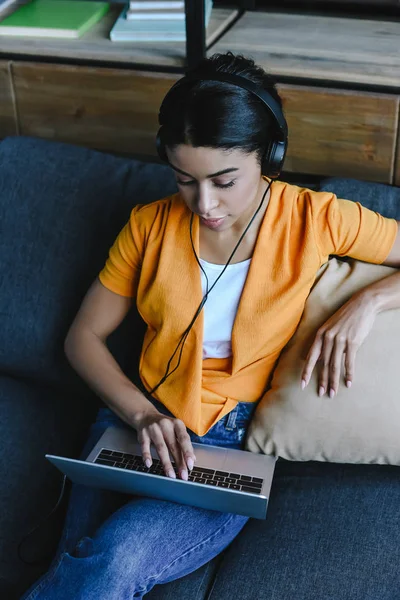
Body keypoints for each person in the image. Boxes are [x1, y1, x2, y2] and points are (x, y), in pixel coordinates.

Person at [22, 52, 400, 600]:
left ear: (268, 156)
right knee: (75, 562)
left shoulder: (315, 218)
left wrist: (366, 305)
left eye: (225, 180)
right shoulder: (147, 226)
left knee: (113, 561)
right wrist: (142, 412)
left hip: (228, 443)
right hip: (135, 419)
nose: (205, 203)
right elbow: (82, 338)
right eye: (185, 180)